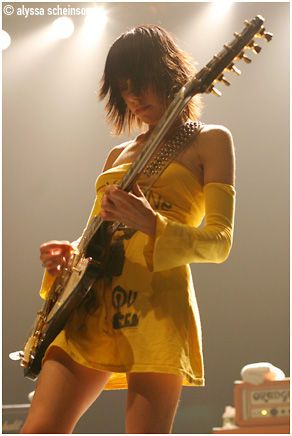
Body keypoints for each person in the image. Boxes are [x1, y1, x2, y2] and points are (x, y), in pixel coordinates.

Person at [21, 24, 235, 434]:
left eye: (143, 84)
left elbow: (220, 243)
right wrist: (64, 259)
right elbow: (93, 238)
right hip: (89, 305)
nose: (134, 98)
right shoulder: (118, 154)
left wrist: (153, 224)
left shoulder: (211, 141)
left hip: (155, 308)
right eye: (124, 89)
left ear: (170, 74)